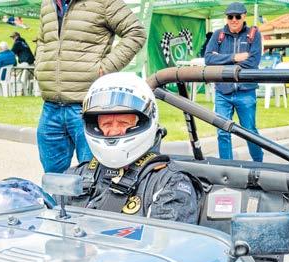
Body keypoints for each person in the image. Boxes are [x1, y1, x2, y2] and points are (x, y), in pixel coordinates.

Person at [66, 73, 201, 224]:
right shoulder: (75, 176)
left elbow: (167, 238)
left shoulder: (169, 183)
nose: (114, 131)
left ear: (142, 122)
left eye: (123, 123)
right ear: (95, 126)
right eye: (106, 124)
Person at [35, 0, 147, 174]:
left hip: (87, 106)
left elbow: (136, 32)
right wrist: (40, 66)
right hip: (51, 107)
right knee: (53, 178)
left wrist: (105, 68)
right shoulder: (47, 4)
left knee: (92, 176)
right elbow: (43, 40)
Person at [204, 2, 264, 162]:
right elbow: (208, 59)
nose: (234, 20)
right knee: (222, 131)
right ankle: (227, 167)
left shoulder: (254, 34)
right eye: (230, 16)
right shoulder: (218, 35)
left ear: (244, 16)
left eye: (237, 16)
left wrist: (221, 61)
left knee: (250, 131)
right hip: (222, 92)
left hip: (246, 91)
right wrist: (235, 57)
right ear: (226, 17)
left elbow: (253, 62)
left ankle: (259, 163)